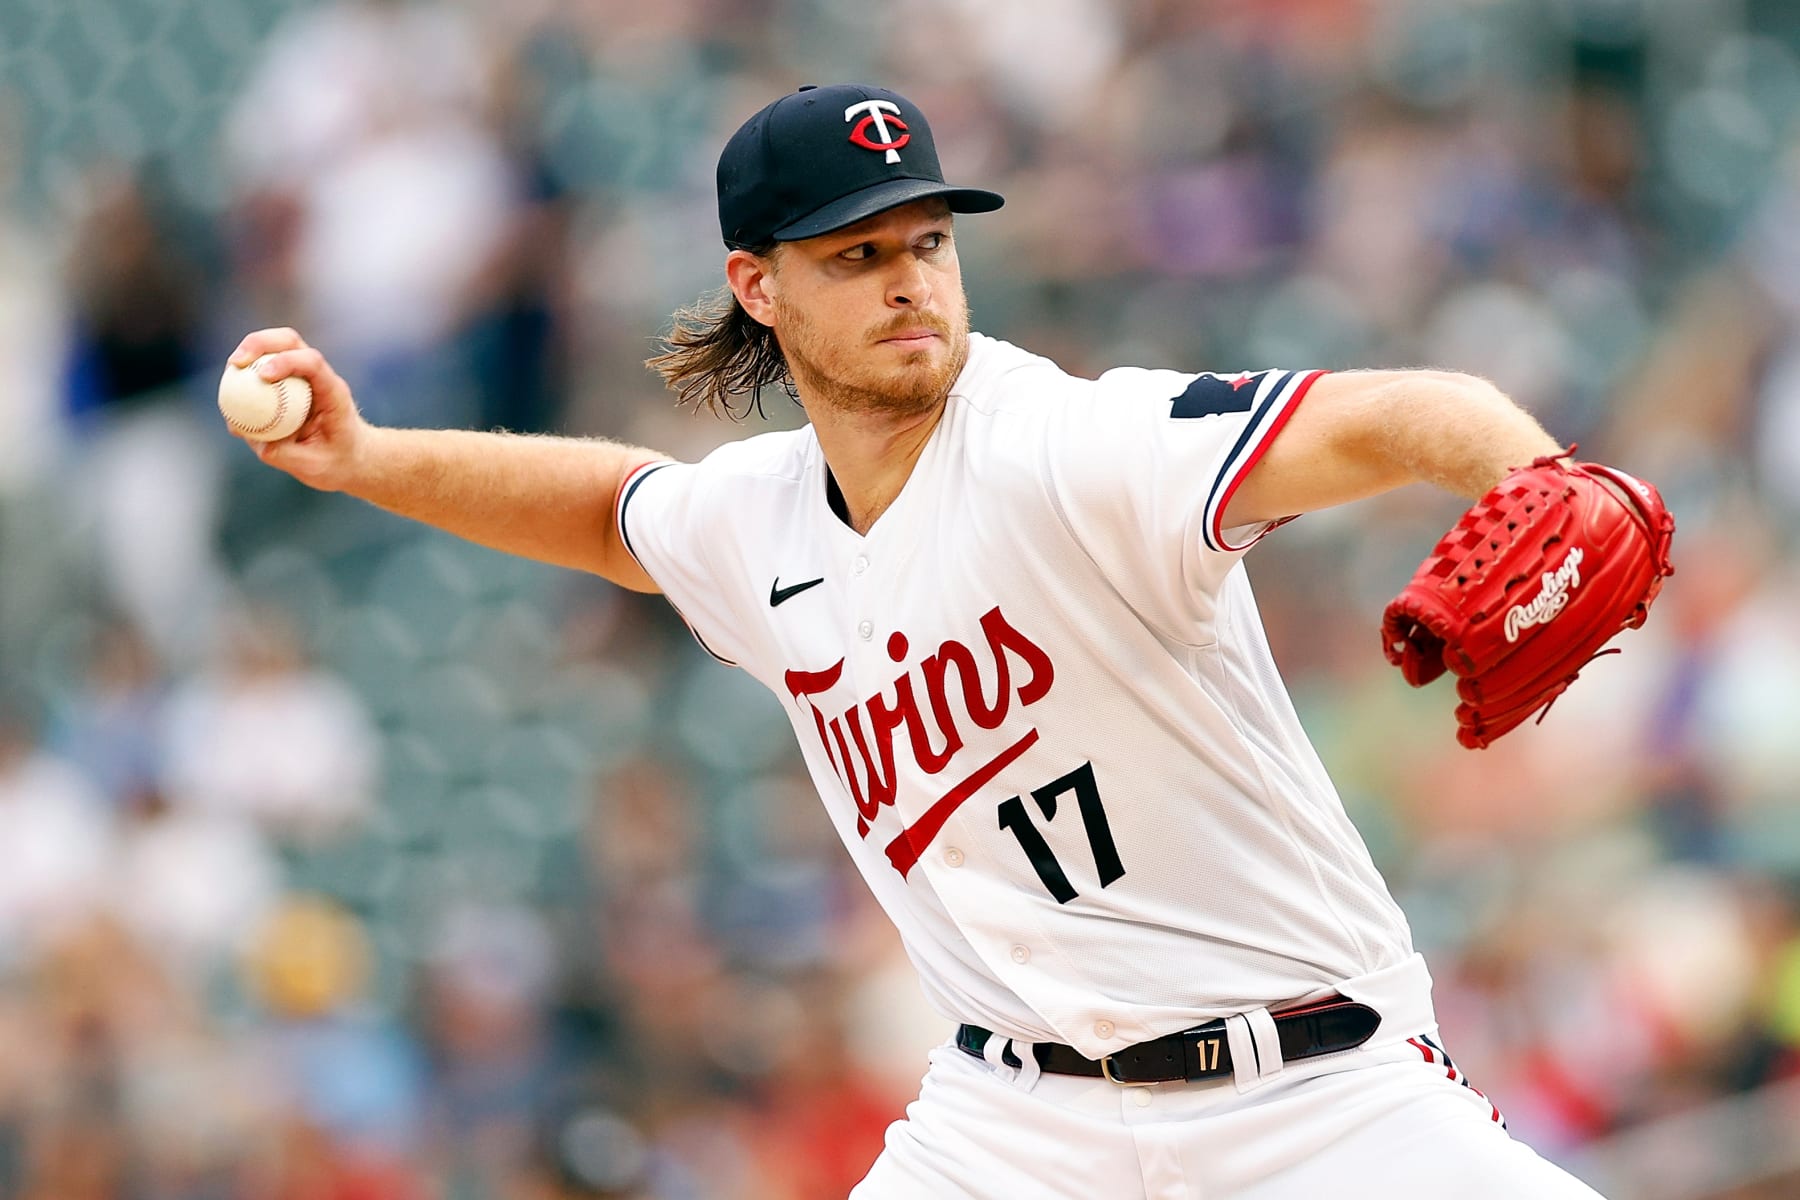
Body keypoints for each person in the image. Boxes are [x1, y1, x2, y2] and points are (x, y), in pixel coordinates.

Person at [230, 83, 1616, 1198]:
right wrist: (365, 459)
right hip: (1014, 1125)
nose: (909, 282)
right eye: (857, 254)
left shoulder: (1070, 448)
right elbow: (611, 514)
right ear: (758, 287)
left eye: (928, 241)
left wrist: (1538, 469)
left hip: (1310, 1095)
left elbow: (1383, 414)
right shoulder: (761, 524)